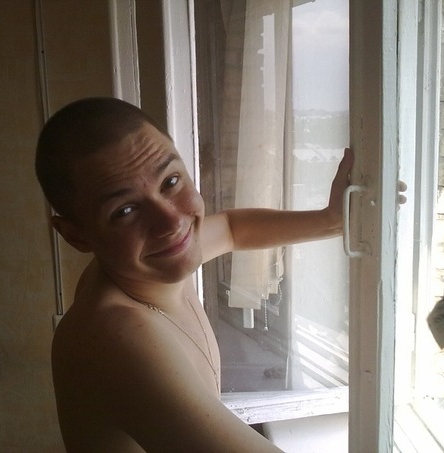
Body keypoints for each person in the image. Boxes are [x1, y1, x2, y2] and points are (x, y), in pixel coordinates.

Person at [35, 97, 353, 452]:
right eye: (124, 211)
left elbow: (231, 228)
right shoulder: (116, 336)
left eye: (170, 181)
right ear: (76, 235)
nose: (172, 222)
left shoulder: (143, 263)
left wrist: (330, 221)